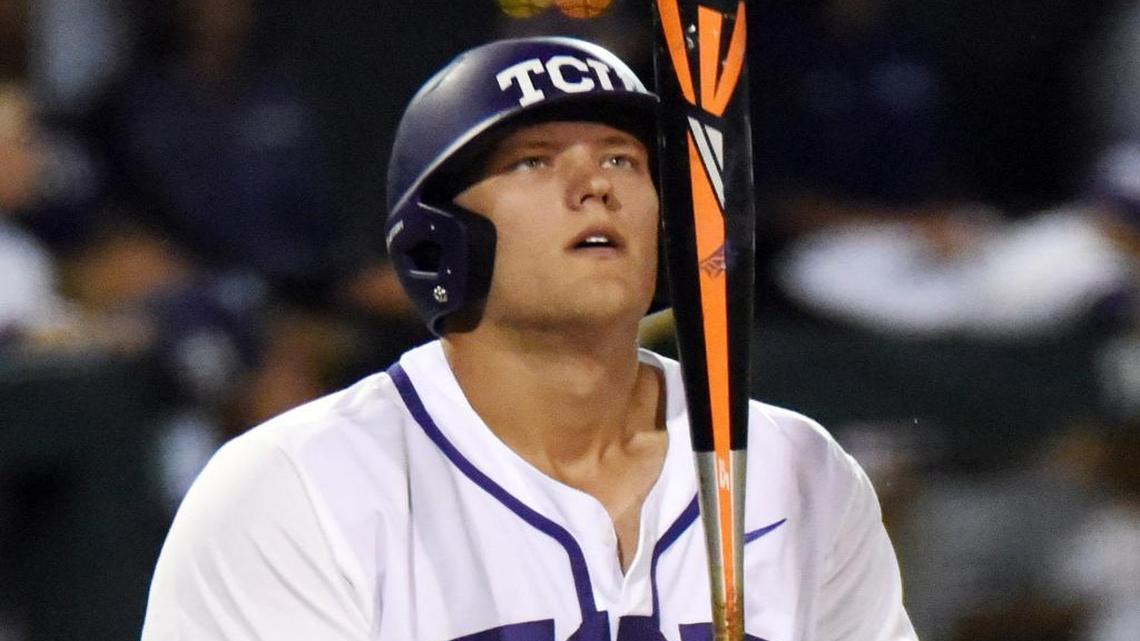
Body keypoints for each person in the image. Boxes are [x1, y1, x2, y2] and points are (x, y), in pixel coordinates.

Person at [141, 37, 917, 641]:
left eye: (622, 158)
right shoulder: (296, 490)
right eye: (533, 161)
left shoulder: (798, 475)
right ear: (437, 241)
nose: (596, 184)